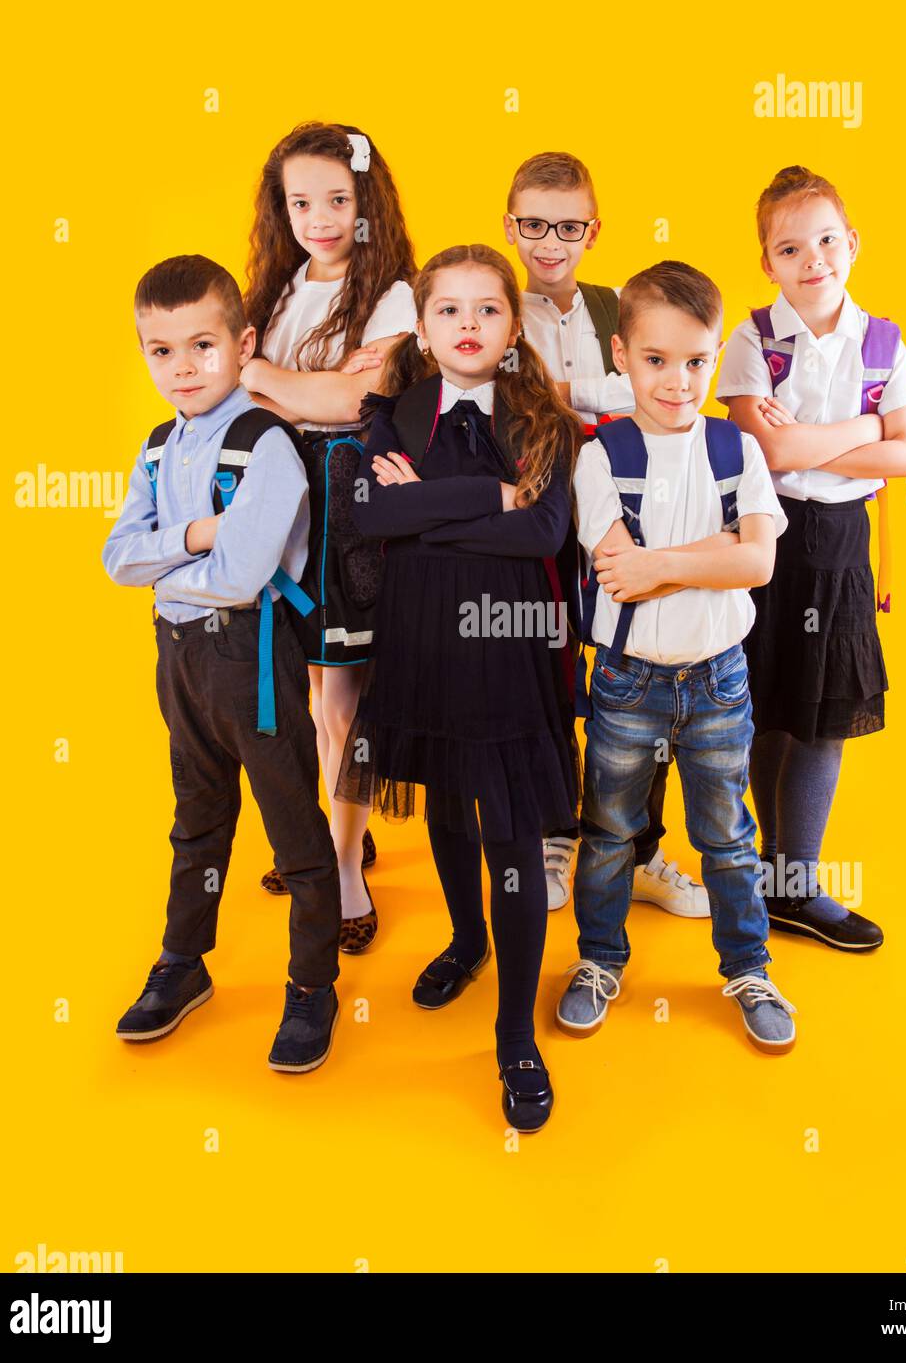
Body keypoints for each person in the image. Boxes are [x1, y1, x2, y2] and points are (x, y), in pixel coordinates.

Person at [337, 244, 582, 1129]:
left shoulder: (540, 416)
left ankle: (516, 1032)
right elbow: (370, 514)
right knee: (443, 804)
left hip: (509, 644)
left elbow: (543, 532)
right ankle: (466, 937)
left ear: (514, 328)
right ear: (425, 326)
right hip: (420, 640)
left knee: (510, 832)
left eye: (487, 310)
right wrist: (492, 498)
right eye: (450, 311)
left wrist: (430, 511)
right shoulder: (396, 412)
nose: (468, 325)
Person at [103, 254, 342, 1073]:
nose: (182, 367)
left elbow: (242, 577)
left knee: (292, 830)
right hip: (177, 660)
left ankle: (313, 984)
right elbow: (116, 558)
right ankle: (184, 961)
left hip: (250, 657)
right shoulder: (159, 445)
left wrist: (166, 559)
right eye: (160, 350)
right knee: (196, 819)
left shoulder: (263, 441)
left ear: (242, 345)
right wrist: (198, 535)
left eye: (201, 345)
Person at [558, 260, 798, 1053]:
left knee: (727, 836)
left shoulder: (737, 451)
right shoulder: (602, 456)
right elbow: (618, 573)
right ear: (621, 356)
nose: (678, 380)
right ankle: (598, 960)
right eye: (656, 360)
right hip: (628, 682)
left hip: (720, 677)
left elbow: (758, 564)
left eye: (697, 361)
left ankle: (748, 967)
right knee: (610, 832)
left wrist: (666, 562)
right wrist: (712, 551)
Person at [717, 166, 906, 951]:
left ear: (853, 243)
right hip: (764, 536)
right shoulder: (750, 339)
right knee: (764, 705)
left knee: (824, 716)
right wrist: (868, 430)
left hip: (841, 547)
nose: (814, 259)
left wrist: (828, 441)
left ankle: (795, 881)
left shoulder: (883, 342)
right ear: (767, 262)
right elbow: (768, 452)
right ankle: (762, 876)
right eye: (790, 247)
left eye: (827, 240)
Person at [503, 150, 707, 920]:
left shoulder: (616, 303)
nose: (550, 242)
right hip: (533, 518)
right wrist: (557, 401)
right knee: (550, 674)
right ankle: (560, 833)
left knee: (643, 668)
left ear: (594, 229)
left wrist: (562, 391)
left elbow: (652, 380)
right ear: (510, 226)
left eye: (568, 226)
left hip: (630, 512)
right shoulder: (496, 306)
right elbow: (499, 395)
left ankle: (641, 847)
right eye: (533, 225)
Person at [241, 121, 417, 953]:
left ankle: (346, 866)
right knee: (301, 693)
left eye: (338, 200)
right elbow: (239, 407)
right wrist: (299, 391)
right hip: (277, 505)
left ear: (366, 202)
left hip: (348, 510)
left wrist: (262, 377)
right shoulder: (276, 290)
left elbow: (357, 404)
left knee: (344, 701)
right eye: (301, 201)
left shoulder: (394, 296)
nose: (320, 217)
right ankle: (334, 838)